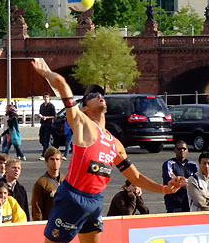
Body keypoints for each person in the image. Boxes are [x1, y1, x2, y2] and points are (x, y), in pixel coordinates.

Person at [31, 61, 185, 243]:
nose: (99, 96)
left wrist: (164, 189)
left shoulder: (115, 144)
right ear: (85, 108)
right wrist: (47, 73)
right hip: (72, 197)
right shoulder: (83, 125)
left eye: (101, 94)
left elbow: (135, 177)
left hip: (95, 200)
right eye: (94, 95)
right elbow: (63, 86)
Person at [162, 141, 198, 213]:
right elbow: (171, 181)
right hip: (174, 203)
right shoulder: (169, 164)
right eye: (179, 149)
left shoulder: (193, 165)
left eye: (184, 149)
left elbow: (198, 181)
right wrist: (188, 182)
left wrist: (180, 181)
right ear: (174, 150)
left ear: (187, 150)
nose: (182, 150)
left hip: (190, 202)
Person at [31, 146, 62, 221]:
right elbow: (36, 209)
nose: (55, 162)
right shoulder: (41, 183)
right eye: (52, 159)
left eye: (57, 159)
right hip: (49, 224)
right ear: (46, 161)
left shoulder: (66, 181)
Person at [38, 93, 57, 160]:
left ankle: (44, 155)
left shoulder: (51, 106)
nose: (46, 98)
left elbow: (54, 115)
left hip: (49, 124)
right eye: (44, 97)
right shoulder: (42, 106)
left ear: (49, 98)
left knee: (46, 139)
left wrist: (47, 117)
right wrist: (40, 116)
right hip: (43, 124)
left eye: (47, 97)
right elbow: (40, 113)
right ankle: (49, 150)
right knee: (41, 139)